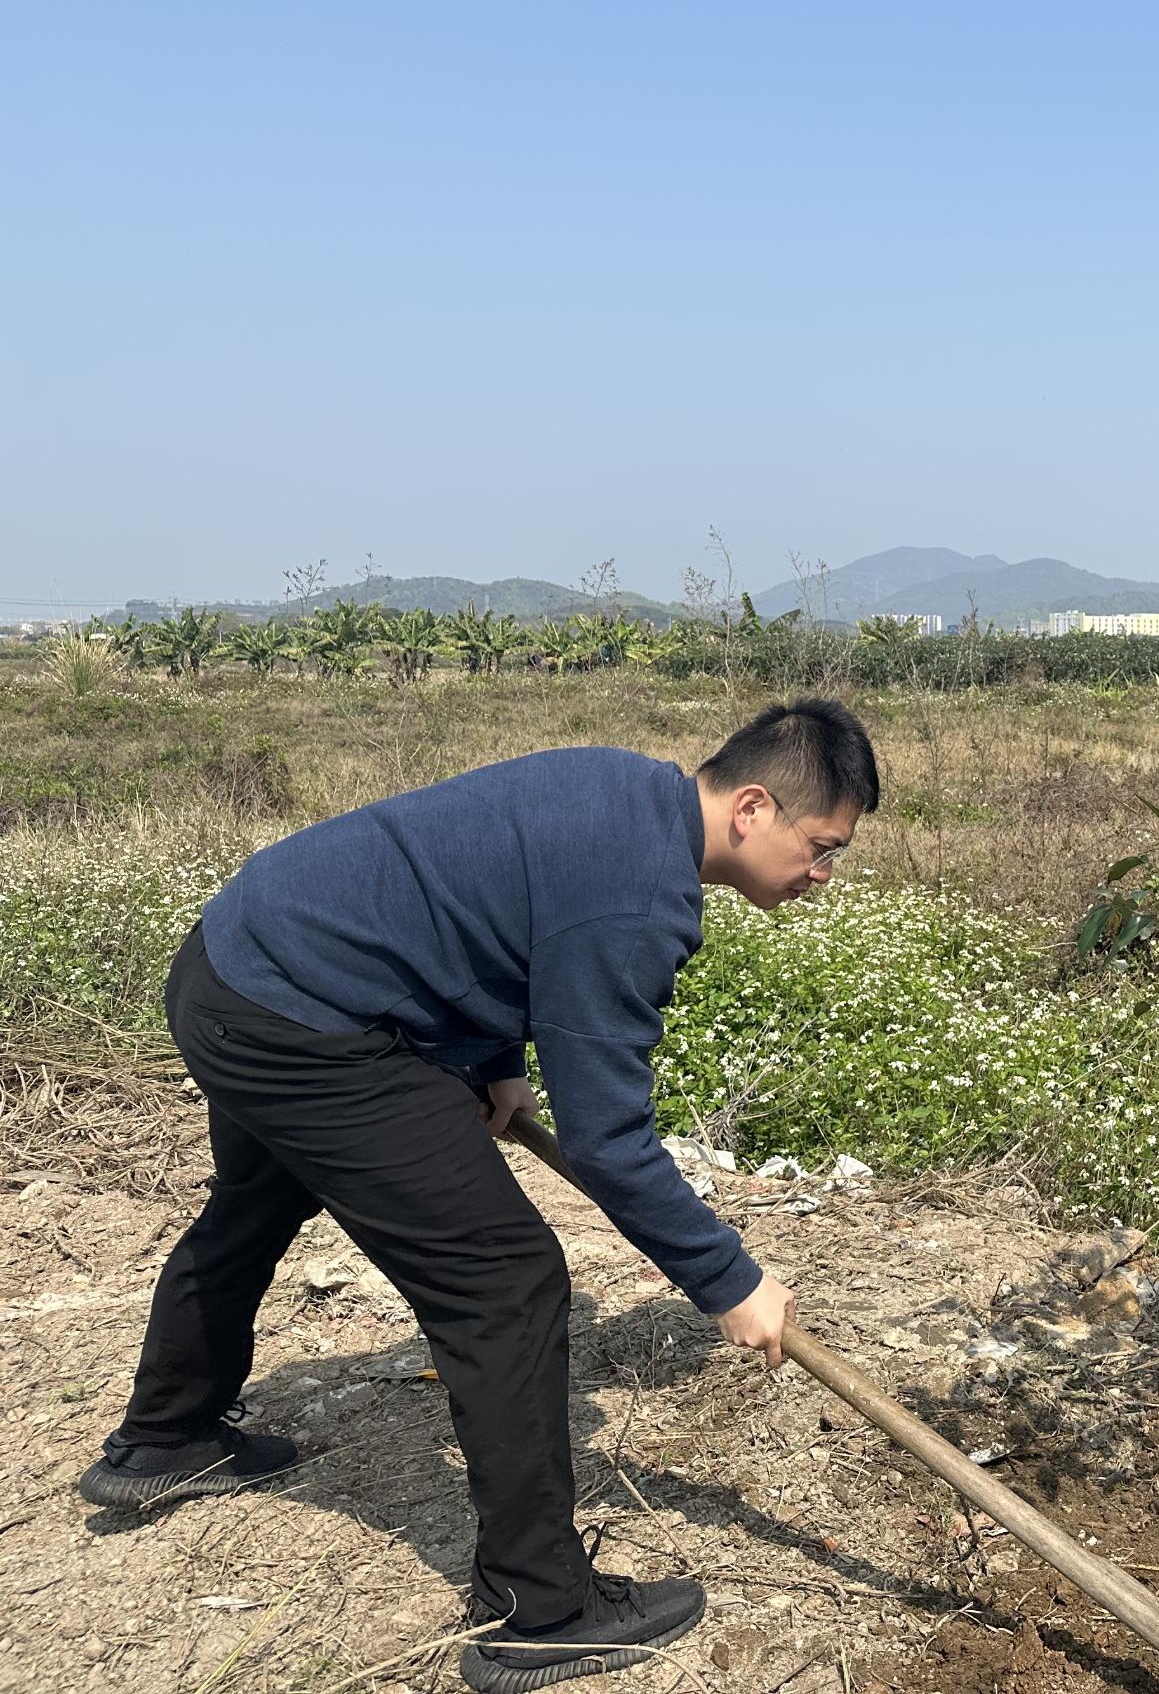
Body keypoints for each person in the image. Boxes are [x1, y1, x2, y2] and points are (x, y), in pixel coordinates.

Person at [79, 697, 879, 1694]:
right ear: (754, 807)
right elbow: (609, 1138)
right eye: (820, 847)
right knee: (506, 1281)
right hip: (300, 1018)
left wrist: (496, 1055)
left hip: (234, 967)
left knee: (257, 1203)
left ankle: (164, 1440)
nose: (822, 877)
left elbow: (481, 900)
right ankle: (544, 1612)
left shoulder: (623, 786)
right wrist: (729, 1280)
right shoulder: (638, 899)